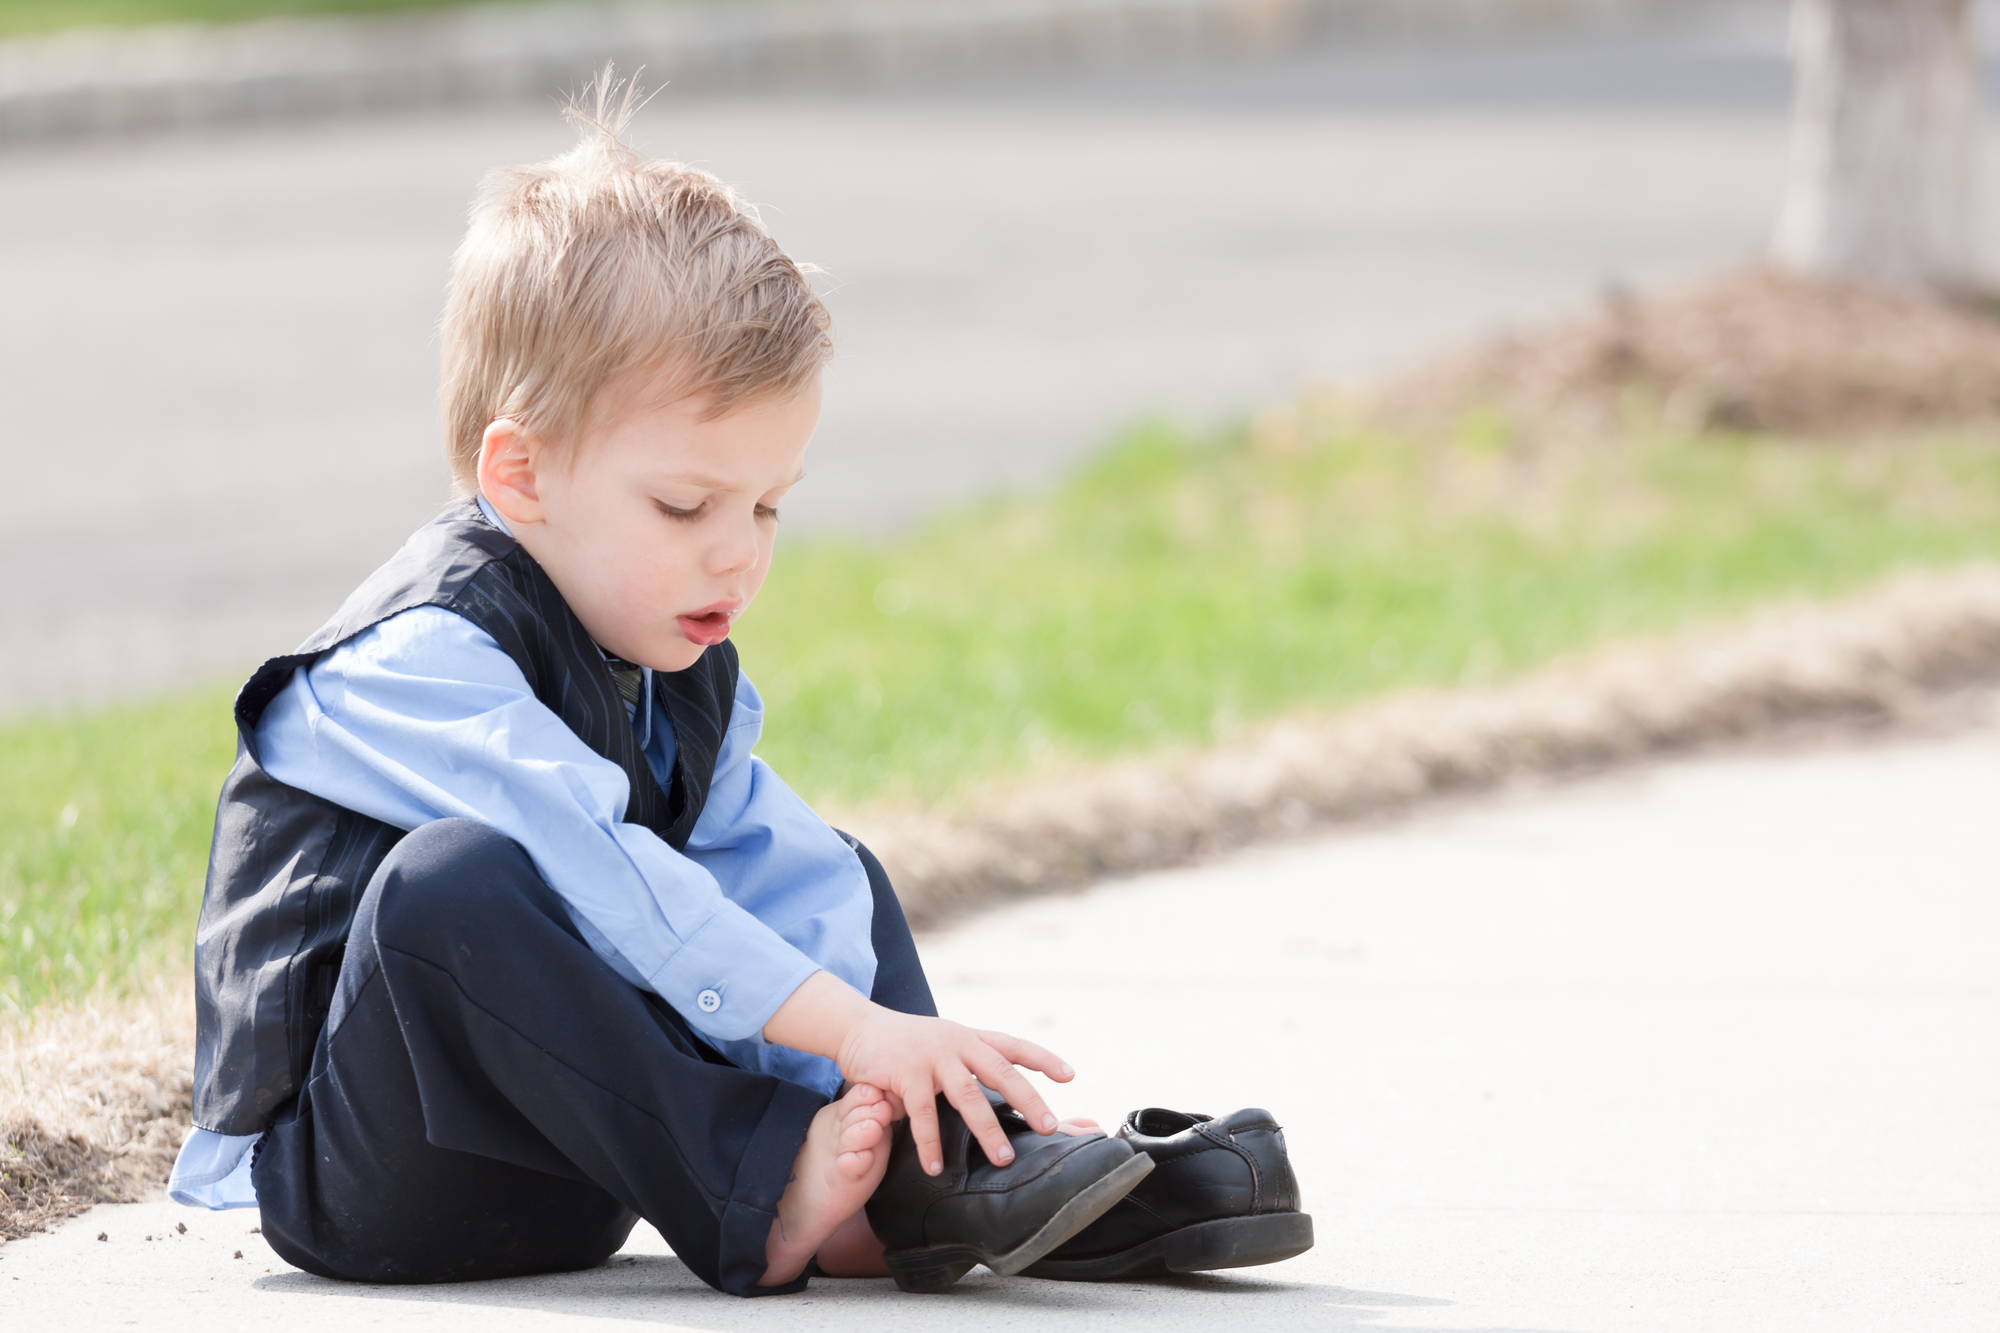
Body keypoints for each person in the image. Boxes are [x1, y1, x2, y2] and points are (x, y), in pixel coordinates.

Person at [169, 72, 1309, 1297]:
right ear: (521, 475)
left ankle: (936, 1169)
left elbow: (771, 881)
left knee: (830, 869)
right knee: (457, 883)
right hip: (373, 1179)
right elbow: (599, 872)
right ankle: (762, 1193)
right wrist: (856, 1030)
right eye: (685, 504)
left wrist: (882, 1049)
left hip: (588, 1168)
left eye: (767, 504)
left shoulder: (676, 664)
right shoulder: (418, 655)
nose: (738, 551)